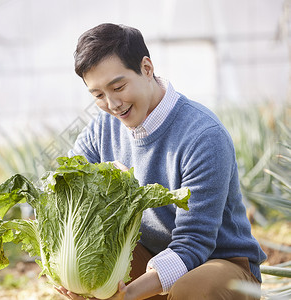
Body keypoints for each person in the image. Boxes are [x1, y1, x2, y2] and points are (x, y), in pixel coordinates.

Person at [56, 23, 267, 300]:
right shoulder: (100, 131)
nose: (112, 104)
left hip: (219, 265)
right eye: (98, 95)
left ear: (146, 68)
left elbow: (194, 243)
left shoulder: (203, 135)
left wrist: (128, 294)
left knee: (192, 290)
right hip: (148, 259)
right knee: (93, 267)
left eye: (118, 87)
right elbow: (67, 189)